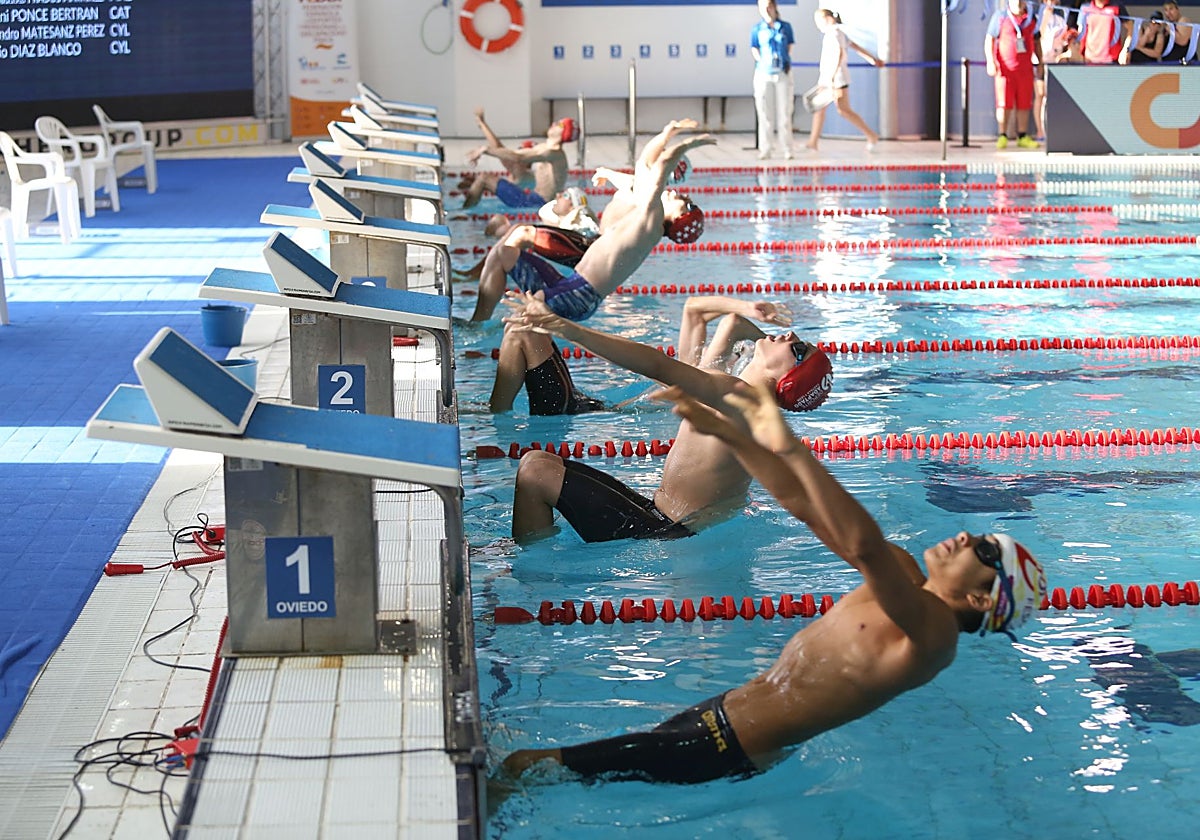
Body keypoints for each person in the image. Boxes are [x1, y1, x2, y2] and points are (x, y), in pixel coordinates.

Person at [498, 381, 1048, 785]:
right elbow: (806, 506)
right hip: (728, 710)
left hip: (730, 744)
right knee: (542, 771)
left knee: (525, 769)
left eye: (982, 551)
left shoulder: (934, 637)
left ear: (980, 597)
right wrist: (746, 439)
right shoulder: (902, 572)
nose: (964, 537)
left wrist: (782, 436)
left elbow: (861, 544)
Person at [501, 291, 832, 542]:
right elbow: (733, 324)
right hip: (657, 513)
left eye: (799, 350)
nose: (791, 336)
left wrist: (564, 327)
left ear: (787, 379)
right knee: (541, 463)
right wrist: (753, 320)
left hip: (663, 530)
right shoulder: (741, 392)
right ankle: (529, 546)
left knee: (535, 471)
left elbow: (656, 364)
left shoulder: (742, 398)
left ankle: (531, 569)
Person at [468, 119, 714, 322]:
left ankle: (477, 325)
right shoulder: (648, 216)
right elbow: (644, 163)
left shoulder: (651, 219)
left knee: (508, 260)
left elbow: (660, 166)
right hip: (572, 286)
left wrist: (689, 144)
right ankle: (479, 322)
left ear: (680, 218)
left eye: (688, 203)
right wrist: (668, 130)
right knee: (504, 252)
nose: (683, 195)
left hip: (575, 295)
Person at [489, 294, 790, 415]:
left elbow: (731, 326)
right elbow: (699, 311)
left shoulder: (711, 392)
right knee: (523, 326)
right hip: (587, 403)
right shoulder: (696, 371)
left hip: (580, 411)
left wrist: (771, 354)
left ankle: (494, 416)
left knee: (521, 332)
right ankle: (493, 410)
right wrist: (757, 322)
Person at [458, 108, 575, 209]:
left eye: (559, 125)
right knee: (473, 182)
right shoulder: (545, 148)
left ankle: (466, 211)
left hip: (535, 203)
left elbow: (517, 157)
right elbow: (509, 153)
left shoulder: (554, 153)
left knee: (484, 179)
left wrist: (485, 150)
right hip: (532, 199)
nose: (554, 123)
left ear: (564, 134)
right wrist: (482, 125)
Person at [806, 9, 884, 153]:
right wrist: (873, 59)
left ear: (827, 19)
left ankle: (871, 135)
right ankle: (813, 142)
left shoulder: (835, 32)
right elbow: (855, 46)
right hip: (828, 77)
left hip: (836, 78)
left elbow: (839, 53)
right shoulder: (836, 33)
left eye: (819, 21)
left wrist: (831, 77)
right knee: (820, 109)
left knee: (843, 110)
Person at [985, 0, 1042, 150]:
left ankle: (1022, 135)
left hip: (1025, 69)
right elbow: (989, 39)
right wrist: (990, 61)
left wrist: (1040, 62)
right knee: (1004, 103)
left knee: (1024, 103)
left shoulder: (1031, 18)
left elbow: (1037, 42)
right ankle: (1002, 134)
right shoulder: (1000, 16)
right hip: (1005, 69)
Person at [749, 0, 796, 160]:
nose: (767, 10)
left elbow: (789, 45)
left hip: (782, 72)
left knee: (785, 112)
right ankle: (766, 148)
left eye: (769, 7)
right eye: (763, 8)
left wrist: (784, 60)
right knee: (764, 112)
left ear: (775, 7)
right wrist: (762, 62)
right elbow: (754, 48)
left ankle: (787, 148)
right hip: (763, 73)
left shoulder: (785, 27)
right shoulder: (757, 29)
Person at [1077, 0, 1131, 65]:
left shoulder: (1116, 5)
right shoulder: (1085, 7)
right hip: (1088, 59)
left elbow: (1130, 27)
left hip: (1110, 59)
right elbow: (1080, 32)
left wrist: (1125, 49)